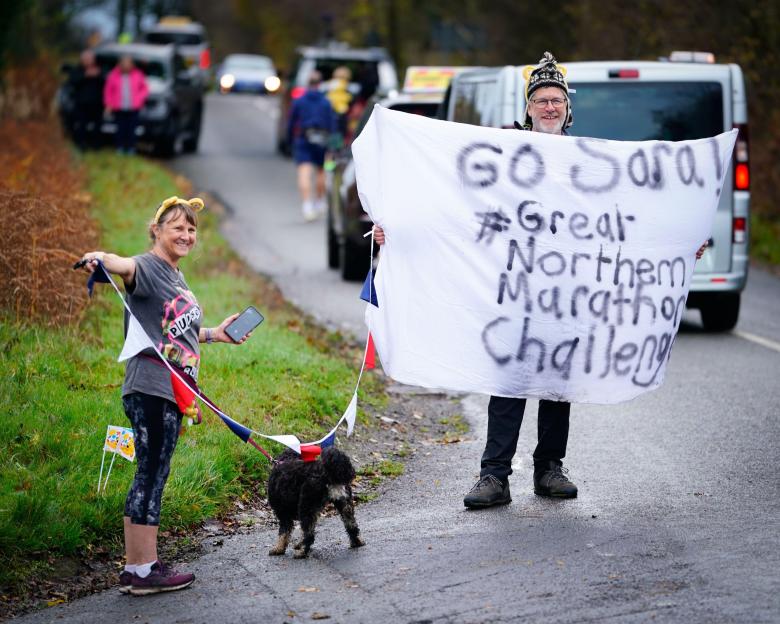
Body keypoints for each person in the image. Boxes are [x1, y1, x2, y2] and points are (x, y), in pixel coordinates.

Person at [372, 52, 710, 510]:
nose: (549, 108)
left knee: (558, 382)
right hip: (513, 290)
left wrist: (679, 243)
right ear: (528, 107)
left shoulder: (588, 160)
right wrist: (397, 227)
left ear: (568, 108)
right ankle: (494, 475)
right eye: (541, 101)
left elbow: (628, 217)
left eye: (556, 101)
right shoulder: (502, 152)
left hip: (566, 294)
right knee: (508, 382)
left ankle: (550, 467)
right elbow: (451, 205)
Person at [78, 196, 251, 595]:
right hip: (151, 387)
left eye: (191, 229)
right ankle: (142, 570)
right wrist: (100, 257)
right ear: (156, 231)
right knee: (150, 474)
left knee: (153, 472)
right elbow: (124, 264)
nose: (187, 235)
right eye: (178, 227)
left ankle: (139, 566)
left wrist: (214, 335)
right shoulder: (150, 267)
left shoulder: (176, 275)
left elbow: (172, 333)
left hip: (173, 390)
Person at [286, 70, 336, 221]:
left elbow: (291, 123)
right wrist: (334, 146)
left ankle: (307, 205)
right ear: (320, 84)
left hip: (304, 138)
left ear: (308, 84)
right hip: (322, 140)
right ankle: (320, 202)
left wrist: (290, 141)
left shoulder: (299, 101)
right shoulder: (326, 102)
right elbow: (332, 125)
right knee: (322, 171)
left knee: (304, 172)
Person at [103, 55, 149, 154]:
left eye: (128, 63)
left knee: (131, 129)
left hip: (133, 107)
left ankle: (131, 148)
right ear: (120, 64)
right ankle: (120, 147)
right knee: (120, 129)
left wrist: (139, 98)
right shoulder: (113, 75)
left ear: (132, 65)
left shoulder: (138, 74)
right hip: (119, 107)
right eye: (124, 63)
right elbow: (108, 91)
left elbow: (144, 89)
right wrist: (109, 104)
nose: (126, 65)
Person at [70, 49, 104, 150]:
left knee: (97, 126)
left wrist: (98, 76)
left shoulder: (99, 70)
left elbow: (106, 84)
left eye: (90, 59)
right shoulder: (77, 70)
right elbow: (72, 82)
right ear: (81, 60)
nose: (88, 61)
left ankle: (96, 145)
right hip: (81, 104)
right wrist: (85, 75)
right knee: (81, 125)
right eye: (85, 59)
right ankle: (81, 144)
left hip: (97, 104)